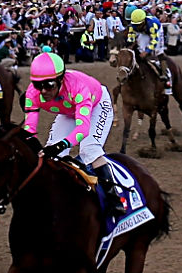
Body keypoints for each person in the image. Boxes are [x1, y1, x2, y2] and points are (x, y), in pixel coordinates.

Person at [22, 51, 126, 218]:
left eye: (48, 85)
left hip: (96, 105)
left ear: (60, 79)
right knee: (52, 157)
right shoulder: (32, 94)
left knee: (89, 149)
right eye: (37, 85)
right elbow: (29, 130)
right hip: (69, 111)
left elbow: (83, 129)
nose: (43, 91)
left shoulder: (78, 87)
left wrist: (60, 145)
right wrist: (37, 147)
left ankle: (115, 200)